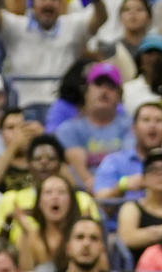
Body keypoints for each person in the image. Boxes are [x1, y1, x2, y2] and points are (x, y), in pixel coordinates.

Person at [0, 0, 94, 108]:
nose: (48, 2)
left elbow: (100, 18)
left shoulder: (73, 26)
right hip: (23, 108)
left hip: (61, 108)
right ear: (31, 1)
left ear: (61, 4)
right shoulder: (15, 26)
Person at [0, 134, 102, 242]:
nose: (44, 163)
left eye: (51, 159)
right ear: (29, 165)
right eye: (38, 159)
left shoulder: (82, 199)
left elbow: (97, 241)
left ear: (60, 164)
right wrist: (8, 221)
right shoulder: (11, 199)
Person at [93, 101, 162, 200]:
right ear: (134, 128)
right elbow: (100, 201)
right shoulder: (113, 162)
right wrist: (122, 186)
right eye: (146, 120)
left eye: (158, 120)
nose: (152, 125)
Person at [55, 62, 132, 192]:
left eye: (111, 87)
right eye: (98, 84)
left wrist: (103, 189)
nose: (104, 91)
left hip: (122, 196)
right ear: (86, 91)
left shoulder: (131, 127)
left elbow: (130, 166)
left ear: (119, 96)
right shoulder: (67, 130)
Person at [116, 147, 162, 263]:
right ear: (143, 179)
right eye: (152, 169)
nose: (160, 173)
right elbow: (127, 238)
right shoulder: (131, 208)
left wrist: (150, 234)